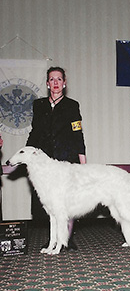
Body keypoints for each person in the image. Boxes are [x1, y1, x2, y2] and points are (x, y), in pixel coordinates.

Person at [26, 66, 86, 250]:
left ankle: (66, 237)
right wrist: (27, 152)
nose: (56, 83)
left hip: (66, 158)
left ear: (64, 83)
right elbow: (35, 132)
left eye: (59, 79)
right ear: (47, 83)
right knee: (48, 201)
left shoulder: (72, 105)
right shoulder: (39, 105)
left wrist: (82, 160)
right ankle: (53, 237)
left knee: (67, 200)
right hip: (44, 161)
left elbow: (78, 133)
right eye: (52, 79)